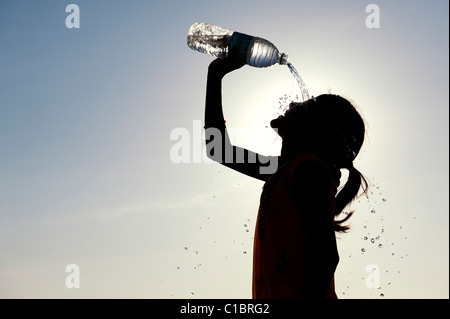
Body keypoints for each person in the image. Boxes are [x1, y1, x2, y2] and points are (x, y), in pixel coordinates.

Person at [203, 54, 368, 299]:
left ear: (312, 131)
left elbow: (326, 257)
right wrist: (215, 75)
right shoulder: (287, 170)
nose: (292, 103)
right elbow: (218, 150)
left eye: (304, 105)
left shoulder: (308, 171)